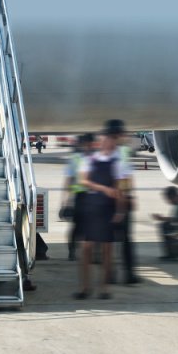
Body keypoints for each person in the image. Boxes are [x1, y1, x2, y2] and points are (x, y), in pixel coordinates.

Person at [74, 131, 129, 300]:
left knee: (107, 250)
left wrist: (120, 210)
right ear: (100, 143)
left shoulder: (117, 163)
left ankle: (104, 288)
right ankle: (85, 287)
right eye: (105, 141)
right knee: (86, 249)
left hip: (108, 208)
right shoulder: (88, 160)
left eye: (110, 141)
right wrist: (104, 189)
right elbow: (83, 181)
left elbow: (120, 188)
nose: (108, 144)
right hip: (92, 206)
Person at [100, 119, 141, 285]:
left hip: (104, 201)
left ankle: (109, 275)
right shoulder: (122, 153)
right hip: (119, 201)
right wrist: (126, 202)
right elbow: (124, 180)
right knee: (126, 241)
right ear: (117, 134)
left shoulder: (102, 151)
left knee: (107, 240)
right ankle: (129, 275)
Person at [62, 133, 93, 261]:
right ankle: (72, 251)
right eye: (86, 143)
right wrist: (65, 201)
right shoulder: (75, 159)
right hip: (79, 196)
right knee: (76, 226)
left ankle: (91, 253)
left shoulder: (95, 158)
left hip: (92, 196)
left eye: (89, 143)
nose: (88, 146)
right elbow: (69, 180)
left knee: (92, 226)